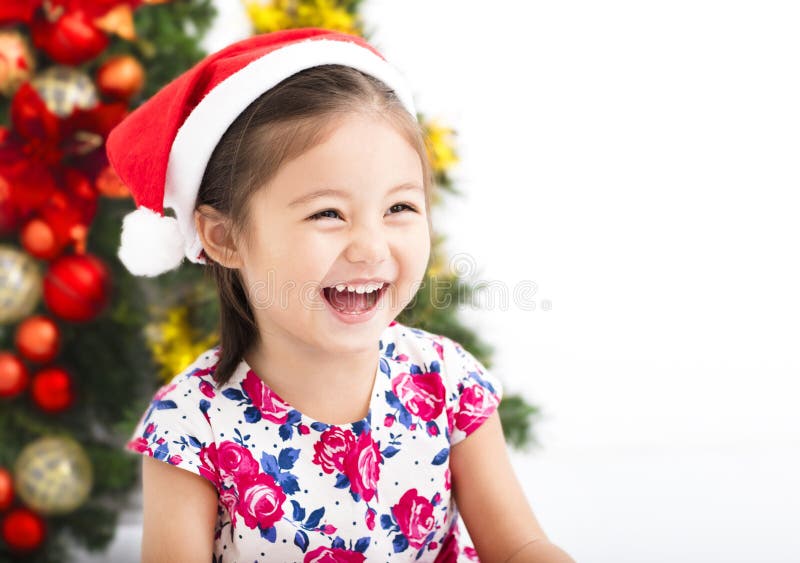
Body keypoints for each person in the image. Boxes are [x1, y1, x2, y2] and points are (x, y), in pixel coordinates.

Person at [110, 27, 575, 563]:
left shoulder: (445, 381)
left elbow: (519, 548)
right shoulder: (190, 430)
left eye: (399, 208)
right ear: (225, 236)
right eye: (327, 213)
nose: (372, 247)